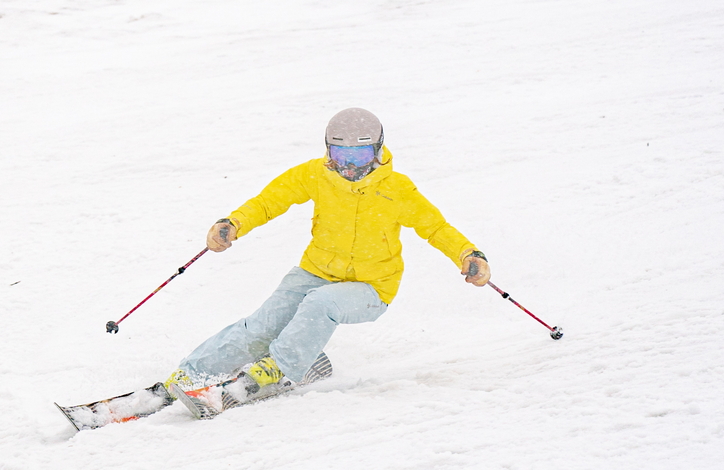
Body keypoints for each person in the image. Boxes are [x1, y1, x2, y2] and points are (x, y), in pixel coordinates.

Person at [165, 107, 490, 402]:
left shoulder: (397, 190)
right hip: (315, 272)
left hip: (371, 288)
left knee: (321, 304)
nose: (349, 165)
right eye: (339, 153)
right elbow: (270, 201)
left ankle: (276, 371)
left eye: (360, 154)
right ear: (327, 149)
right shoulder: (316, 175)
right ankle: (190, 374)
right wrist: (233, 223)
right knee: (262, 325)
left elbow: (436, 228)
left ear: (376, 151)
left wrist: (468, 254)